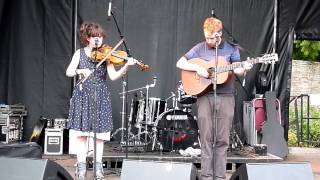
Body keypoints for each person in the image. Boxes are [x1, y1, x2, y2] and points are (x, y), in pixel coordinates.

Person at [176, 17, 252, 180]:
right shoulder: (199, 48)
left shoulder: (231, 49)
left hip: (226, 97)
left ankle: (219, 177)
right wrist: (197, 67)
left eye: (212, 37)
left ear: (220, 34)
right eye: (207, 37)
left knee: (222, 139)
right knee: (206, 138)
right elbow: (180, 62)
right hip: (204, 96)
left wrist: (244, 68)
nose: (209, 41)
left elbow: (237, 70)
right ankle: (206, 176)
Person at [66, 21, 136, 180]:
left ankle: (98, 169)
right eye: (94, 37)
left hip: (101, 96)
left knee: (99, 136)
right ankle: (81, 168)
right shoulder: (80, 53)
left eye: (100, 37)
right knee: (82, 136)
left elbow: (113, 76)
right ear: (87, 38)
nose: (98, 40)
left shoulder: (106, 55)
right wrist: (80, 70)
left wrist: (126, 67)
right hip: (83, 95)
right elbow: (69, 72)